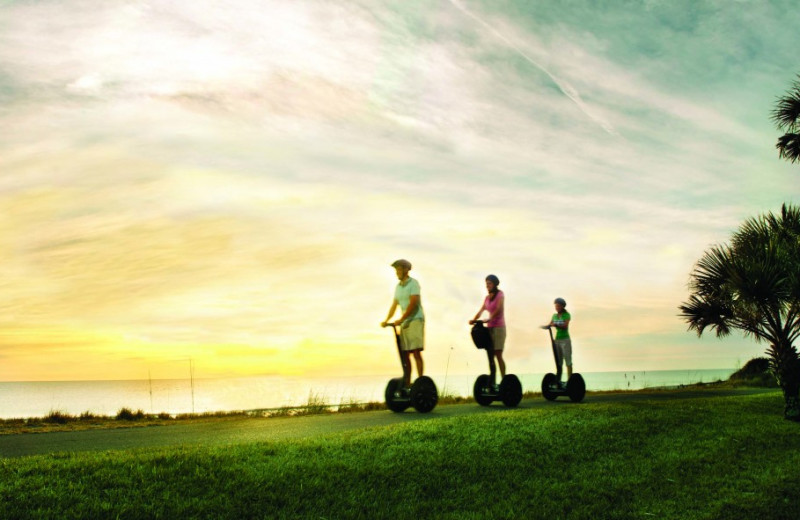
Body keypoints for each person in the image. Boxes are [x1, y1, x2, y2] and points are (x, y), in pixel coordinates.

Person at [381, 259, 425, 395]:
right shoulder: (398, 287)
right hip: (405, 322)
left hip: (416, 319)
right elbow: (394, 305)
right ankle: (407, 382)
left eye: (399, 270)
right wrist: (387, 320)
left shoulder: (414, 284)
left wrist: (401, 318)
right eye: (396, 270)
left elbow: (413, 303)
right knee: (405, 354)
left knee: (416, 351)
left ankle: (420, 382)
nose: (397, 272)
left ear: (406, 270)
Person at [469, 274, 506, 392]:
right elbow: (481, 310)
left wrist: (490, 319)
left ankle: (504, 381)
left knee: (498, 354)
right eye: (486, 284)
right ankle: (493, 382)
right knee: (491, 355)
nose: (487, 286)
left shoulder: (500, 294)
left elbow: (499, 309)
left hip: (499, 327)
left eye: (489, 284)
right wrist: (474, 319)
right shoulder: (486, 298)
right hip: (489, 328)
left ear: (495, 284)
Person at [541, 297, 572, 386]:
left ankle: (570, 382)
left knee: (568, 361)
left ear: (562, 306)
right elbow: (550, 324)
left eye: (558, 306)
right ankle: (558, 381)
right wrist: (543, 326)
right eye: (556, 306)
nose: (557, 307)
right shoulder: (554, 316)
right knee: (559, 362)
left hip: (565, 340)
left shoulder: (567, 315)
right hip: (557, 340)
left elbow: (565, 325)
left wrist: (556, 324)